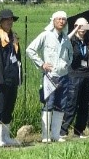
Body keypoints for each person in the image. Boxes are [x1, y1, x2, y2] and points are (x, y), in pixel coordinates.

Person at [26, 10, 73, 142]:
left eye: (64, 19)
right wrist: (42, 64)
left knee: (61, 104)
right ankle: (45, 135)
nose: (61, 22)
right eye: (59, 19)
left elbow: (70, 53)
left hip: (63, 75)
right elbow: (30, 49)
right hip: (50, 76)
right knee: (48, 104)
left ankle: (56, 135)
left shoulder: (65, 38)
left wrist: (67, 63)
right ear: (53, 21)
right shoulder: (46, 35)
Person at [0, 8, 22, 147]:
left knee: (9, 107)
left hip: (13, 76)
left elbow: (17, 58)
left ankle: (5, 137)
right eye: (6, 20)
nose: (9, 22)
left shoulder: (14, 36)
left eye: (11, 19)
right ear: (0, 21)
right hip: (1, 78)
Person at [60, 17, 89, 139]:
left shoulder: (87, 41)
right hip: (74, 75)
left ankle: (79, 131)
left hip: (86, 75)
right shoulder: (72, 40)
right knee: (71, 104)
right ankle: (63, 131)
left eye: (85, 26)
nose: (83, 29)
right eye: (80, 26)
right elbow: (64, 41)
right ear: (75, 26)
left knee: (84, 105)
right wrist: (75, 30)